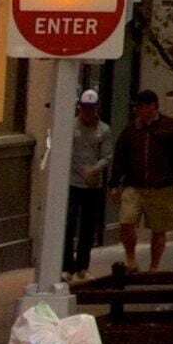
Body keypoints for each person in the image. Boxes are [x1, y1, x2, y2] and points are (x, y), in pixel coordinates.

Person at [107, 89, 173, 274]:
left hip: (162, 186)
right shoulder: (131, 130)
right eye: (140, 107)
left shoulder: (170, 127)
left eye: (146, 106)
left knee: (158, 229)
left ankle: (154, 266)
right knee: (126, 221)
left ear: (155, 107)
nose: (143, 110)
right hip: (134, 185)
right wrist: (114, 183)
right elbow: (120, 156)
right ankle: (131, 259)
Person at [63, 90, 111, 279]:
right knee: (68, 224)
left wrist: (94, 169)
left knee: (87, 227)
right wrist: (78, 168)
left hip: (92, 185)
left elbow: (106, 155)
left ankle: (82, 266)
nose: (88, 112)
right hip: (73, 182)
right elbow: (65, 150)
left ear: (96, 108)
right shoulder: (71, 126)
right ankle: (67, 266)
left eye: (91, 108)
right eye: (85, 108)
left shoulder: (103, 130)